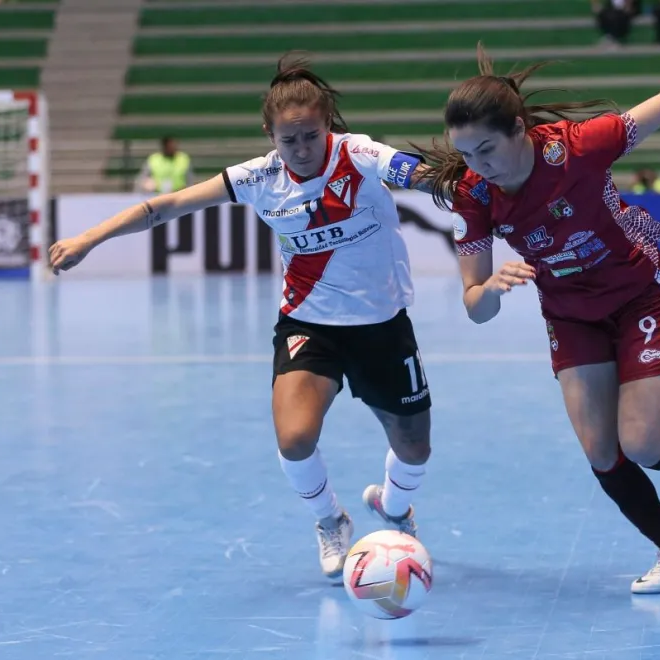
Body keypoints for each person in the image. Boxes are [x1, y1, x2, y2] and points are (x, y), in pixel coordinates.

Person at [417, 43, 660, 594]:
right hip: (570, 315)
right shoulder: (473, 193)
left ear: (519, 128)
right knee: (602, 451)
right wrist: (492, 288)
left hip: (637, 296)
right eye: (468, 154)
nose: (479, 166)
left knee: (644, 444)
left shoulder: (580, 148)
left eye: (486, 149)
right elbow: (474, 306)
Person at [49, 55, 441, 581]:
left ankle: (394, 511)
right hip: (310, 324)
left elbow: (418, 174)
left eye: (312, 136)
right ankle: (330, 519)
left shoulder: (359, 154)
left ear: (329, 126)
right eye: (290, 139)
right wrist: (88, 238)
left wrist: (468, 186)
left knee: (414, 447)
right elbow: (164, 207)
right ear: (270, 134)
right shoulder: (257, 178)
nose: (302, 149)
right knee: (294, 437)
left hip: (381, 324)